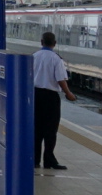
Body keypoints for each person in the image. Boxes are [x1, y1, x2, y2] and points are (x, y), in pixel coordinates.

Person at [33, 30, 77, 170]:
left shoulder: (34, 56)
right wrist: (69, 94)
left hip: (35, 95)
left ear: (41, 42)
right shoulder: (56, 59)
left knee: (36, 129)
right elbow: (60, 79)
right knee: (50, 130)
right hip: (50, 98)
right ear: (54, 43)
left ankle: (35, 160)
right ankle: (49, 160)